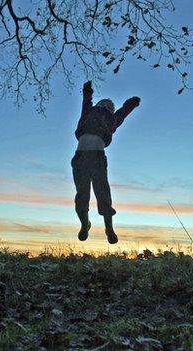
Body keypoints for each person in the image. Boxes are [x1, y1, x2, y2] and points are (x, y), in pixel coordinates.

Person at [71, 81, 140, 244]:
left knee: (103, 195)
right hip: (80, 158)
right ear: (98, 104)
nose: (106, 106)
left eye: (110, 105)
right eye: (104, 103)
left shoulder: (113, 119)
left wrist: (132, 103)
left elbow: (124, 112)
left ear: (112, 110)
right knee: (82, 196)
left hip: (98, 158)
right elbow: (86, 100)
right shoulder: (88, 111)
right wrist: (87, 89)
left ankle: (109, 228)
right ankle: (84, 224)